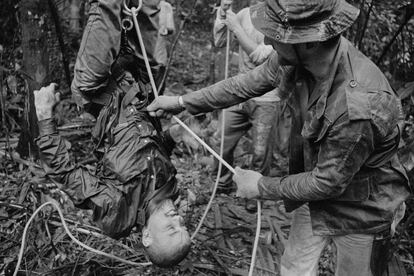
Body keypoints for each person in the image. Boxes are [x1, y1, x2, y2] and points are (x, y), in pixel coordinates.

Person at [146, 0, 411, 275]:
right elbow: (245, 84)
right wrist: (180, 101)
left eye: (277, 34)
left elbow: (327, 182)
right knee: (294, 267)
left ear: (309, 41)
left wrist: (261, 186)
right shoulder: (295, 58)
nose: (269, 40)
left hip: (363, 208)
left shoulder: (358, 105)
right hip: (314, 192)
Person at [34, 83, 191, 268]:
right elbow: (153, 154)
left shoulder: (117, 209)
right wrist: (174, 134)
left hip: (106, 95)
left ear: (147, 236)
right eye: (183, 226)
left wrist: (44, 116)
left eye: (171, 229)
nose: (178, 219)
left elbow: (65, 172)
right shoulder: (170, 191)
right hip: (142, 91)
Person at [212, 0, 285, 194]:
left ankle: (256, 193)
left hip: (267, 97)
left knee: (260, 153)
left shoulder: (281, 19)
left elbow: (260, 56)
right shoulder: (244, 14)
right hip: (239, 93)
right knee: (220, 140)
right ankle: (223, 182)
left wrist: (236, 28)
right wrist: (222, 12)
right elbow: (219, 41)